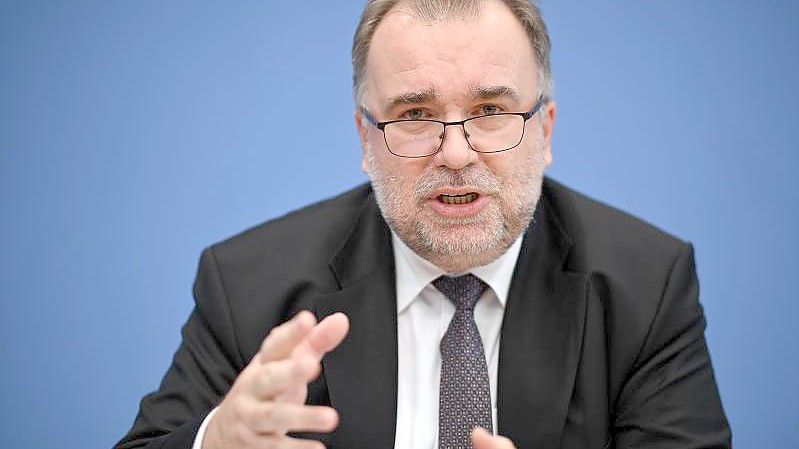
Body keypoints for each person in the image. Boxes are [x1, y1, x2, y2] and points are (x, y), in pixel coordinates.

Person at [117, 0, 731, 448]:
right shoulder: (248, 285)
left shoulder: (646, 285)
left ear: (544, 132)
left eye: (491, 111)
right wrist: (215, 442)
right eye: (416, 114)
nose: (456, 153)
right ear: (365, 138)